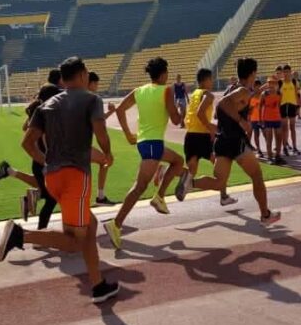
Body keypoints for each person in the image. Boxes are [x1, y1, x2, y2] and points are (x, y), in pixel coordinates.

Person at [0, 56, 119, 304]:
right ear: (83, 74)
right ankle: (21, 235)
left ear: (63, 78)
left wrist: (47, 162)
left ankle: (98, 285)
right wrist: (107, 154)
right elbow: (101, 132)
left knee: (90, 227)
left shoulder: (47, 105)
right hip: (76, 177)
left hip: (52, 178)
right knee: (74, 242)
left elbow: (26, 143)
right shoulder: (91, 99)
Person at [176, 58, 281, 225]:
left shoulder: (239, 89)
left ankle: (190, 183)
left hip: (222, 141)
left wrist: (257, 92)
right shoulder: (242, 91)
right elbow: (223, 104)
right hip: (235, 142)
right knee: (257, 175)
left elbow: (236, 102)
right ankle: (265, 215)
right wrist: (241, 121)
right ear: (253, 73)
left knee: (219, 183)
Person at [104, 57, 185, 249]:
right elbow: (175, 120)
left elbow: (121, 110)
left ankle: (159, 196)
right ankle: (115, 224)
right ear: (164, 73)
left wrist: (127, 134)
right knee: (140, 186)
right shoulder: (167, 90)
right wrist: (181, 110)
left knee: (178, 161)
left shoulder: (139, 91)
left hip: (145, 143)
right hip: (152, 144)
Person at [0, 69, 62, 225]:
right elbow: (37, 137)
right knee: (52, 196)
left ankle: (22, 187)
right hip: (43, 157)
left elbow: (26, 128)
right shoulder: (46, 112)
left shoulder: (38, 109)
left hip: (39, 156)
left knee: (48, 192)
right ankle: (39, 231)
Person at [183, 68, 237, 207]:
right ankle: (223, 196)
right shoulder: (208, 95)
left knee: (191, 171)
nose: (212, 82)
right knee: (221, 168)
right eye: (211, 79)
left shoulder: (194, 93)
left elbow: (194, 114)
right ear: (206, 80)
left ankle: (166, 171)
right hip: (203, 137)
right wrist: (210, 126)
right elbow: (200, 112)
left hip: (190, 136)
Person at [88, 71, 117, 205]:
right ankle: (100, 196)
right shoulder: (93, 99)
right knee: (105, 160)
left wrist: (110, 112)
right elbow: (99, 127)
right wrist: (107, 151)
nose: (97, 87)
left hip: (69, 144)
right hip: (81, 146)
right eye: (97, 84)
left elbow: (97, 119)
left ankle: (100, 196)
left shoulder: (75, 97)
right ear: (92, 83)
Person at [260, 76, 284, 164]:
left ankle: (278, 155)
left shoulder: (279, 94)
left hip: (276, 118)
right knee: (269, 138)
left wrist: (280, 117)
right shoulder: (264, 94)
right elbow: (260, 107)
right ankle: (269, 157)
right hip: (267, 119)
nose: (271, 85)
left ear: (277, 84)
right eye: (269, 83)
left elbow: (279, 106)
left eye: (273, 83)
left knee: (279, 137)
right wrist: (260, 119)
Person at [279, 64, 301, 156]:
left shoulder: (294, 82)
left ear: (290, 72)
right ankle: (284, 147)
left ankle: (295, 147)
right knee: (284, 128)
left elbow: (297, 95)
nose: (286, 74)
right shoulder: (280, 82)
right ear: (282, 73)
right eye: (284, 72)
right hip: (283, 106)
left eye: (288, 72)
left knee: (292, 127)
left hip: (292, 105)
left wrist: (298, 107)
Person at [248, 79, 265, 158]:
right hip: (254, 119)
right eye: (256, 87)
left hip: (263, 118)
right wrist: (253, 106)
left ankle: (268, 149)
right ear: (253, 87)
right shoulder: (251, 97)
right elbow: (249, 109)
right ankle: (259, 150)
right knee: (256, 134)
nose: (257, 88)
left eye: (259, 87)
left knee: (266, 134)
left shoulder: (263, 95)